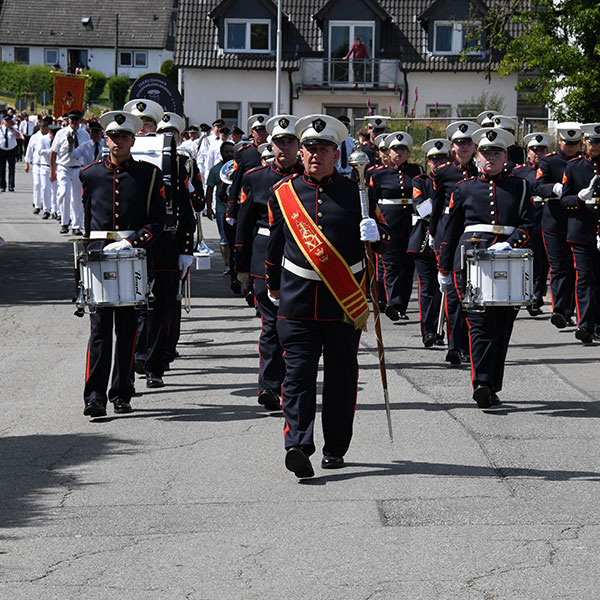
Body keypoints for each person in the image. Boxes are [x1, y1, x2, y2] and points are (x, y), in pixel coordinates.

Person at [265, 114, 391, 478]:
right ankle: (298, 445)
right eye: (309, 148)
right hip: (297, 301)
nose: (315, 154)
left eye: (323, 149)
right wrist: (271, 286)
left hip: (343, 303)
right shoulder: (283, 194)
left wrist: (376, 233)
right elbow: (275, 246)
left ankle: (335, 447)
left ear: (337, 154)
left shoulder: (359, 194)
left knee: (341, 379)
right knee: (297, 377)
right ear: (300, 153)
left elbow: (388, 242)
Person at [438, 127, 536, 408]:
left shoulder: (520, 186)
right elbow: (450, 230)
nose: (490, 158)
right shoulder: (464, 187)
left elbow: (530, 222)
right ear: (477, 156)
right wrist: (444, 268)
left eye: (496, 152)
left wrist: (513, 241)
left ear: (505, 156)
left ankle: (492, 384)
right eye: (485, 153)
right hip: (470, 261)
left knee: (502, 327)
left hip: (508, 260)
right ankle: (481, 382)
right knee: (480, 325)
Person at [80, 110, 166, 417]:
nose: (119, 142)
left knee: (128, 329)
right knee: (100, 330)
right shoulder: (89, 174)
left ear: (133, 139)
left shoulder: (148, 174)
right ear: (106, 139)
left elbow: (159, 220)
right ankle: (94, 396)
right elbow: (87, 222)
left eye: (124, 137)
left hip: (132, 257)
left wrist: (133, 241)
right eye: (114, 137)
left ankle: (122, 392)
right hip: (100, 260)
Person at [235, 115, 303, 411]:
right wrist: (241, 267)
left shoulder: (309, 177)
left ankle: (292, 385)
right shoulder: (255, 177)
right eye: (279, 143)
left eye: (290, 142)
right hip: (264, 257)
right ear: (270, 144)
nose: (284, 148)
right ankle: (269, 387)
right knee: (271, 326)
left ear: (299, 146)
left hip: (301, 257)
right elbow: (243, 224)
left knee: (296, 326)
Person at [431, 120, 479, 365]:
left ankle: (470, 344)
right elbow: (437, 208)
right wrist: (432, 235)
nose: (464, 147)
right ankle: (453, 344)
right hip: (449, 234)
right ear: (452, 147)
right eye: (460, 143)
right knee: (452, 293)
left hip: (474, 234)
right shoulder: (444, 173)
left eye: (468, 143)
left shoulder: (481, 170)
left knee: (474, 292)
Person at [369, 131, 423, 321]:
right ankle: (393, 302)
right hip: (388, 224)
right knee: (391, 265)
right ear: (388, 152)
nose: (398, 152)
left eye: (402, 149)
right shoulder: (378, 174)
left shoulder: (416, 171)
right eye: (394, 149)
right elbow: (371, 201)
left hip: (410, 225)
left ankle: (401, 306)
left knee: (408, 268)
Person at [534, 122, 581, 329]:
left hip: (579, 221)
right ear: (560, 141)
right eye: (567, 143)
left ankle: (576, 310)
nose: (571, 147)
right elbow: (538, 185)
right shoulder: (549, 162)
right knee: (560, 267)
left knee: (578, 268)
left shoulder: (584, 163)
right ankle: (560, 310)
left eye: (575, 143)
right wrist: (555, 188)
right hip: (555, 222)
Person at [408, 138, 451, 346]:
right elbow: (420, 208)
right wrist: (443, 206)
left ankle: (446, 331)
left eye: (442, 158)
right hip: (424, 238)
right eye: (434, 159)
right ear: (428, 161)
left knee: (449, 288)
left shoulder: (455, 179)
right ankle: (429, 331)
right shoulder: (420, 181)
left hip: (448, 237)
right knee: (428, 288)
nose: (438, 163)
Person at [560, 122, 600, 344]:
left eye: (599, 143)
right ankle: (584, 324)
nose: (595, 146)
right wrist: (578, 198)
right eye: (592, 142)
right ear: (584, 141)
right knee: (584, 278)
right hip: (582, 233)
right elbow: (564, 201)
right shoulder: (574, 167)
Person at [512, 132, 553, 315]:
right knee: (524, 261)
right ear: (528, 152)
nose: (538, 154)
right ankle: (523, 294)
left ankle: (536, 297)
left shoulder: (552, 169)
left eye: (542, 150)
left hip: (548, 220)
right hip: (528, 222)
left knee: (542, 264)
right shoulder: (519, 172)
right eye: (534, 150)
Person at [49, 109, 90, 235]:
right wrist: (52, 171)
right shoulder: (61, 133)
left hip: (79, 168)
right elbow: (53, 153)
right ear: (68, 120)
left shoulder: (85, 135)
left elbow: (88, 152)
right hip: (64, 167)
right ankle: (64, 222)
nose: (74, 122)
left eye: (77, 120)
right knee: (64, 193)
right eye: (72, 119)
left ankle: (76, 225)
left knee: (77, 198)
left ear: (81, 121)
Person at [206, 141, 235, 273]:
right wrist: (209, 208)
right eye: (226, 152)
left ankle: (236, 263)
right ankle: (227, 264)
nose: (229, 154)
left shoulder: (239, 168)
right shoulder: (215, 169)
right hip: (221, 209)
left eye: (231, 152)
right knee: (224, 239)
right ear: (221, 153)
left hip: (236, 208)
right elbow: (209, 189)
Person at [24, 116, 53, 217]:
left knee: (45, 187)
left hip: (46, 164)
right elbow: (29, 150)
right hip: (36, 164)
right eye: (43, 129)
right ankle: (36, 205)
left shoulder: (50, 137)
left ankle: (47, 208)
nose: (44, 131)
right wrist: (27, 162)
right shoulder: (34, 137)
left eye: (46, 129)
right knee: (37, 184)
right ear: (40, 128)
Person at [0, 113, 23, 192]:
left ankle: (11, 185)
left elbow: (18, 136)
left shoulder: (14, 128)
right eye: (6, 121)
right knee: (1, 169)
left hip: (11, 150)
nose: (7, 122)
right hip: (1, 150)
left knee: (11, 168)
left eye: (9, 121)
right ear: (3, 121)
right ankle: (2, 185)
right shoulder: (0, 128)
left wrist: (12, 129)